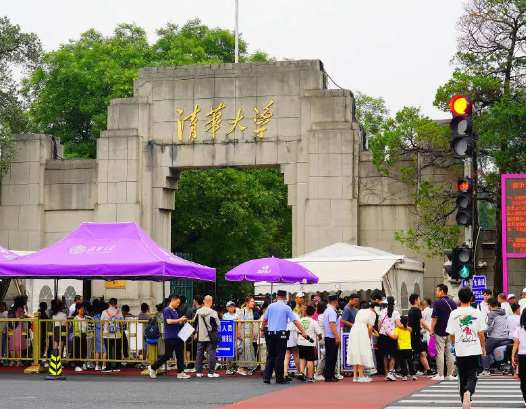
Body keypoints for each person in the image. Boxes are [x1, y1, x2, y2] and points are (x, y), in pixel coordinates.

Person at [447, 287, 487, 409]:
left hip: (460, 350)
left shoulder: (454, 314)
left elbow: (451, 334)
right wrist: (483, 347)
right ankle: (468, 392)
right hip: (474, 349)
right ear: (471, 298)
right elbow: (481, 333)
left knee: (462, 376)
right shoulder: (477, 313)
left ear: (459, 299)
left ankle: (463, 399)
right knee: (472, 374)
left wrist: (455, 343)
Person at [260, 289, 308, 384]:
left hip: (270, 333)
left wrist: (262, 330)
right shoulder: (286, 308)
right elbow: (295, 321)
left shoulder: (270, 306)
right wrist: (303, 331)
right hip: (281, 335)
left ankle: (266, 377)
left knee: (271, 355)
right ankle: (279, 378)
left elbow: (264, 320)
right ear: (285, 297)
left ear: (277, 296)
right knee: (279, 356)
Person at [148, 294, 189, 379]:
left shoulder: (174, 311)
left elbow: (174, 321)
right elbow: (169, 321)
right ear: (172, 300)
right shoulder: (167, 310)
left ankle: (180, 372)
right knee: (167, 355)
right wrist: (179, 320)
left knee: (180, 354)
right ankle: (153, 367)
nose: (178, 304)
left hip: (177, 336)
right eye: (177, 302)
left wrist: (180, 321)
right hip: (170, 336)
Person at [431, 284, 457, 381]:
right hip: (451, 331)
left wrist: (431, 330)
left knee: (440, 353)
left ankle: (441, 374)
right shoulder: (453, 303)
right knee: (450, 353)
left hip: (439, 330)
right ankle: (450, 374)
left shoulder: (437, 303)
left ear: (442, 291)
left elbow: (434, 318)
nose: (436, 292)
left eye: (437, 291)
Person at [346, 302, 377, 382]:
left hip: (354, 330)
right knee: (362, 351)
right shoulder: (372, 313)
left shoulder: (360, 311)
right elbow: (370, 328)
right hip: (362, 332)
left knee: (355, 351)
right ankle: (361, 376)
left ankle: (355, 376)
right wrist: (369, 337)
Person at [480, 296, 510, 376]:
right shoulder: (503, 311)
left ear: (490, 305)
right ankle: (492, 367)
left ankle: (486, 370)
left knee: (484, 350)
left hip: (495, 337)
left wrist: (483, 332)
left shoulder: (492, 313)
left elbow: (489, 327)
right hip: (505, 336)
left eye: (488, 305)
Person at [194, 295, 220, 378]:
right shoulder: (213, 313)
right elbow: (218, 324)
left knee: (199, 354)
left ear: (204, 301)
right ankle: (211, 372)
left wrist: (196, 332)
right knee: (211, 353)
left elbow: (195, 322)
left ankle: (199, 372)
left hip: (201, 336)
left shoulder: (198, 312)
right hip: (211, 336)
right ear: (211, 302)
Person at [407, 293, 433, 376]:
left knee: (420, 353)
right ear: (415, 300)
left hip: (412, 334)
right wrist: (430, 330)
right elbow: (422, 322)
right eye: (418, 299)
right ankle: (426, 370)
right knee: (421, 352)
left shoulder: (410, 310)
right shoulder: (417, 310)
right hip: (415, 335)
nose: (419, 301)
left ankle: (426, 369)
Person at [378, 296, 402, 381]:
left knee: (384, 355)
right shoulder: (396, 313)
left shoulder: (381, 312)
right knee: (392, 355)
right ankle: (391, 372)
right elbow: (398, 324)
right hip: (392, 335)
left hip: (383, 335)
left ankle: (386, 372)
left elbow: (379, 324)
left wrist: (380, 331)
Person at [297, 305, 322, 382]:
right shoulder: (314, 322)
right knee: (310, 360)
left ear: (305, 312)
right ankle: (310, 377)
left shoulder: (300, 320)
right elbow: (319, 333)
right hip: (310, 343)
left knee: (303, 358)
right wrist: (319, 337)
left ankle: (301, 373)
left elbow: (297, 330)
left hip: (300, 342)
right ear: (314, 313)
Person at [235, 295, 258, 376]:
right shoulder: (242, 311)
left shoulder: (251, 311)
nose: (253, 303)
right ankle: (240, 367)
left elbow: (251, 322)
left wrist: (253, 332)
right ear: (247, 302)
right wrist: (238, 333)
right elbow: (239, 322)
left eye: (254, 302)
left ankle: (247, 367)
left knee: (249, 351)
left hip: (249, 333)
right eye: (252, 301)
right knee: (243, 351)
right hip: (243, 333)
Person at [389, 316, 416, 381]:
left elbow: (395, 337)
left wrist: (388, 334)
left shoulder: (397, 329)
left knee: (402, 362)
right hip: (408, 347)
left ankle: (405, 375)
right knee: (410, 362)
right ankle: (413, 375)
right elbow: (409, 329)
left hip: (400, 348)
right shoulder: (409, 329)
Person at [100, 298, 124, 373]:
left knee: (108, 350)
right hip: (117, 334)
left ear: (109, 303)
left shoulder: (104, 312)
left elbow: (101, 322)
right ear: (116, 304)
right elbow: (121, 323)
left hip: (107, 334)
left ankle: (109, 366)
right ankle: (117, 366)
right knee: (117, 350)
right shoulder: (119, 312)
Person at [323, 294, 341, 382]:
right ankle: (330, 376)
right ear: (335, 301)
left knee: (329, 356)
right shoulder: (332, 311)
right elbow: (332, 324)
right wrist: (337, 337)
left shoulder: (327, 310)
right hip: (332, 336)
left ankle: (329, 374)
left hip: (328, 336)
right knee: (332, 357)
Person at [511, 308, 526, 406]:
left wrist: (512, 356)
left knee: (524, 378)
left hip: (523, 355)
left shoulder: (519, 328)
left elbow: (516, 342)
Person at [284, 300, 300, 381]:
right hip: (293, 334)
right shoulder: (295, 314)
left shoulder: (284, 314)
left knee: (287, 355)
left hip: (285, 334)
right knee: (296, 354)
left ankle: (285, 373)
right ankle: (299, 372)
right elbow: (298, 325)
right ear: (294, 307)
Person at [314, 301, 327, 381]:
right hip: (325, 336)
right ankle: (318, 373)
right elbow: (326, 326)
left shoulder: (318, 316)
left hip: (320, 337)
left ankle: (333, 372)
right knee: (326, 355)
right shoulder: (324, 316)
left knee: (326, 355)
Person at [73, 303, 88, 371]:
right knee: (77, 351)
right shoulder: (76, 318)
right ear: (78, 310)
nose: (83, 311)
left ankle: (82, 363)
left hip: (84, 336)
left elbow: (87, 327)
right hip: (77, 336)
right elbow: (75, 328)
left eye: (84, 309)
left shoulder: (85, 318)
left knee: (84, 350)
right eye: (81, 309)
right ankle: (77, 365)